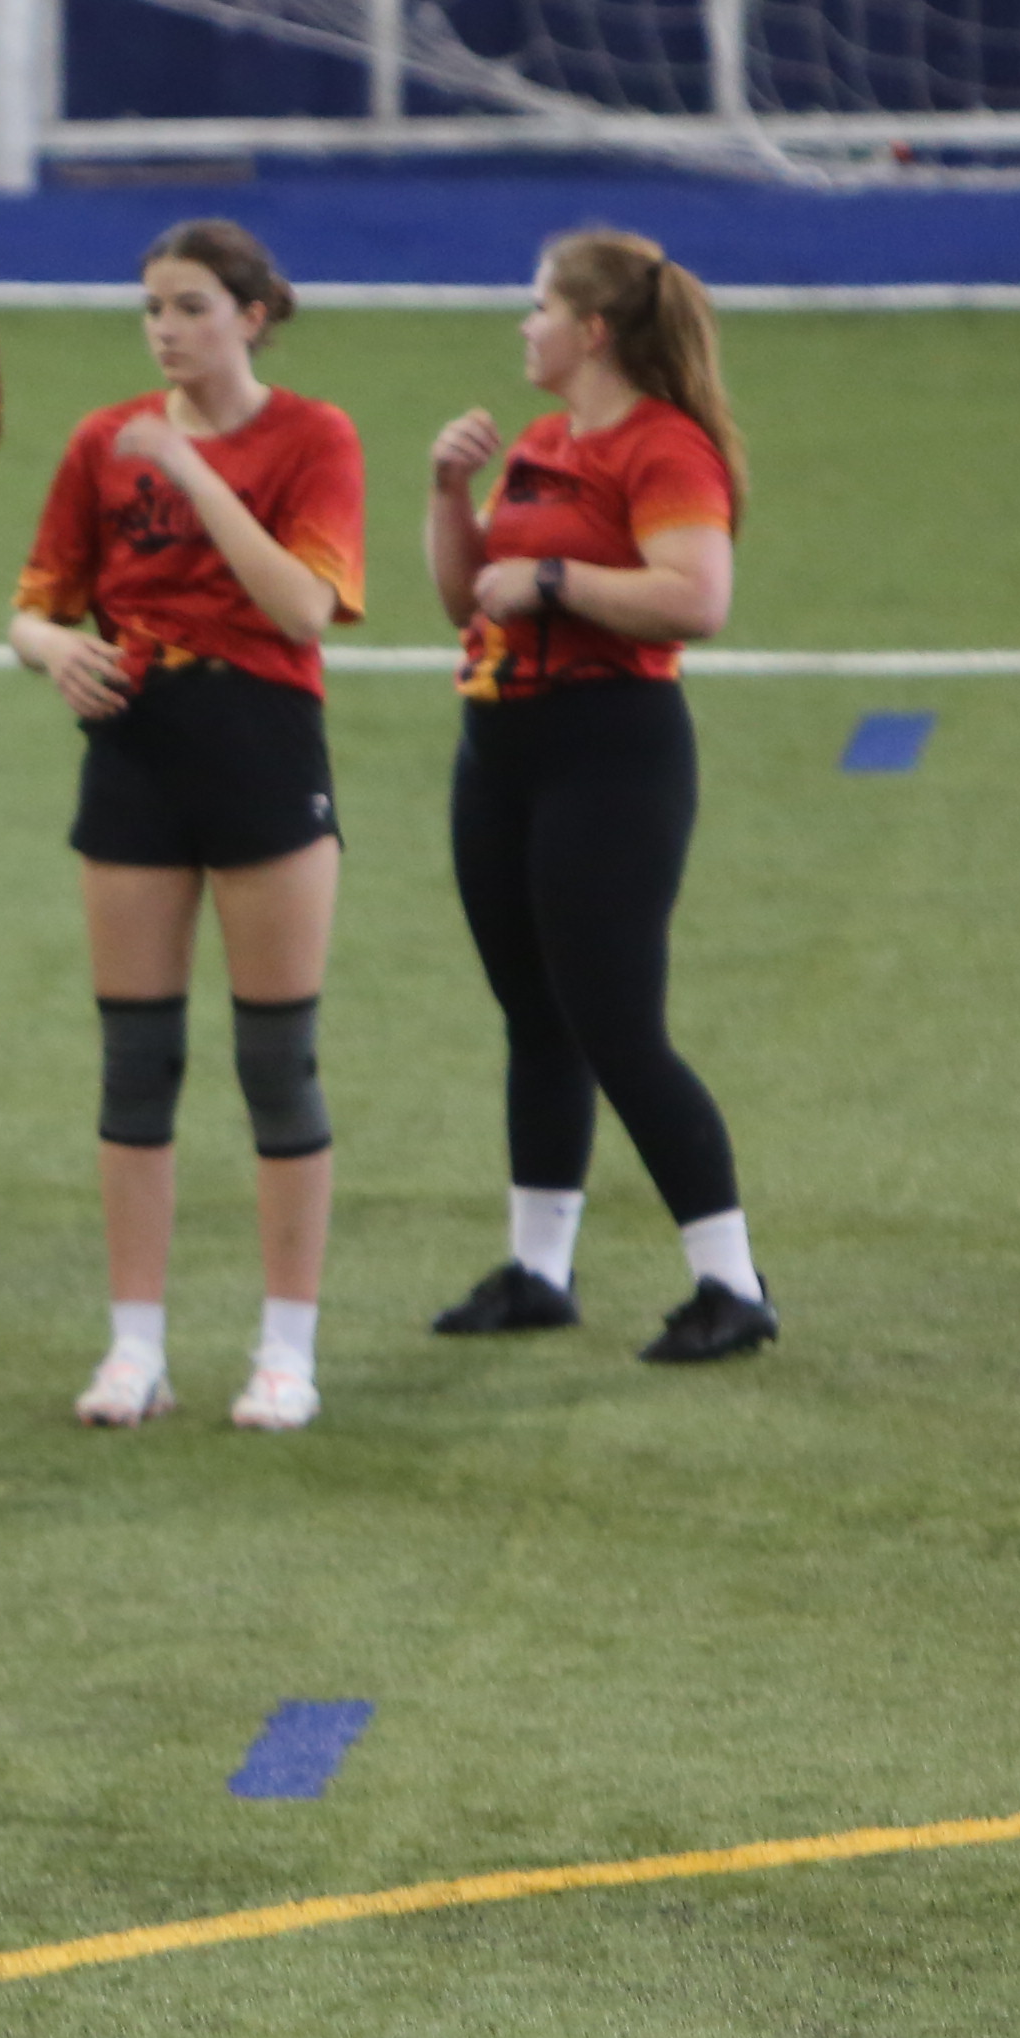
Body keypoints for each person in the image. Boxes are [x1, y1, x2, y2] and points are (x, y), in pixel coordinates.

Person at [7, 221, 365, 1431]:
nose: (166, 329)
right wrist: (54, 650)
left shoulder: (313, 437)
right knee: (137, 1061)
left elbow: (304, 607)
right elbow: (34, 606)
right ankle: (135, 1349)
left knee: (277, 1062)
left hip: (261, 743)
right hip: (136, 750)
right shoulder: (102, 441)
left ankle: (286, 1353)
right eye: (154, 307)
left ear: (252, 317)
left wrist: (194, 470)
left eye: (192, 306)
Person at [422, 229, 775, 1364]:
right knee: (535, 1017)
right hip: (501, 749)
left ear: (593, 330)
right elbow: (469, 595)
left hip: (610, 753)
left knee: (618, 1028)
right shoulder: (542, 442)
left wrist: (557, 577)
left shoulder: (665, 448)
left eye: (539, 307)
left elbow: (697, 598)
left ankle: (731, 1284)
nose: (524, 325)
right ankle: (539, 1271)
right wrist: (448, 493)